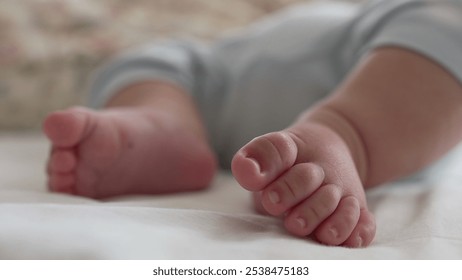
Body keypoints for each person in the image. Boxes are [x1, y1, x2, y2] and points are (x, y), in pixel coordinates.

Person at [42, 0, 462, 247]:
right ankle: (161, 124)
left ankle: (346, 133)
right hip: (212, 77)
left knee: (445, 21)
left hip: (362, 80)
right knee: (149, 61)